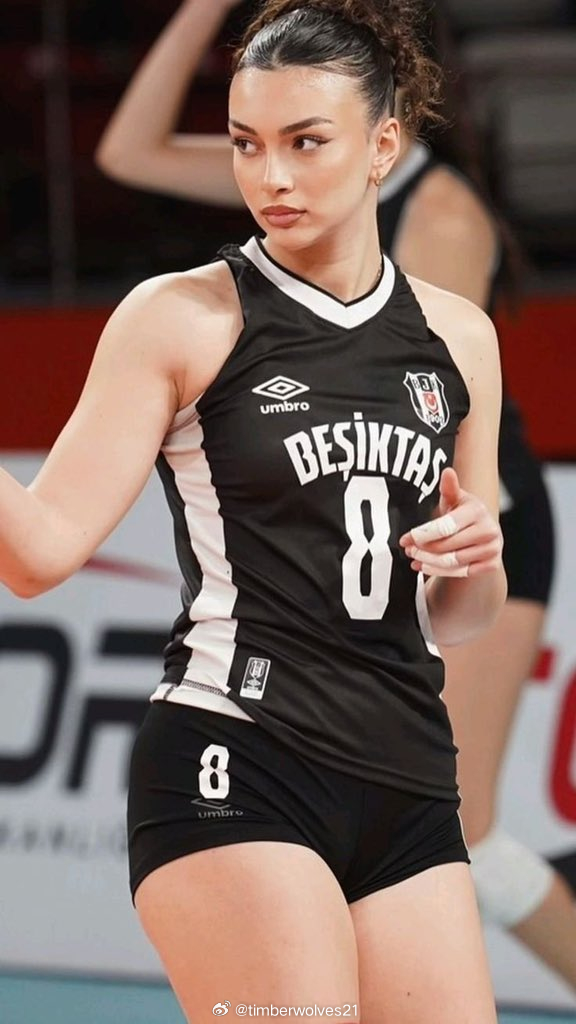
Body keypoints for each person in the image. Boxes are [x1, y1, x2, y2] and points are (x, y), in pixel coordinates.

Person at [4, 1, 507, 1020]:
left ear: (383, 146)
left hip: (409, 776)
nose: (270, 176)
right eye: (245, 143)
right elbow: (39, 553)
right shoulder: (184, 317)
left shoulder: (460, 338)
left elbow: (463, 616)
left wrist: (477, 560)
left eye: (304, 143)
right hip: (238, 757)